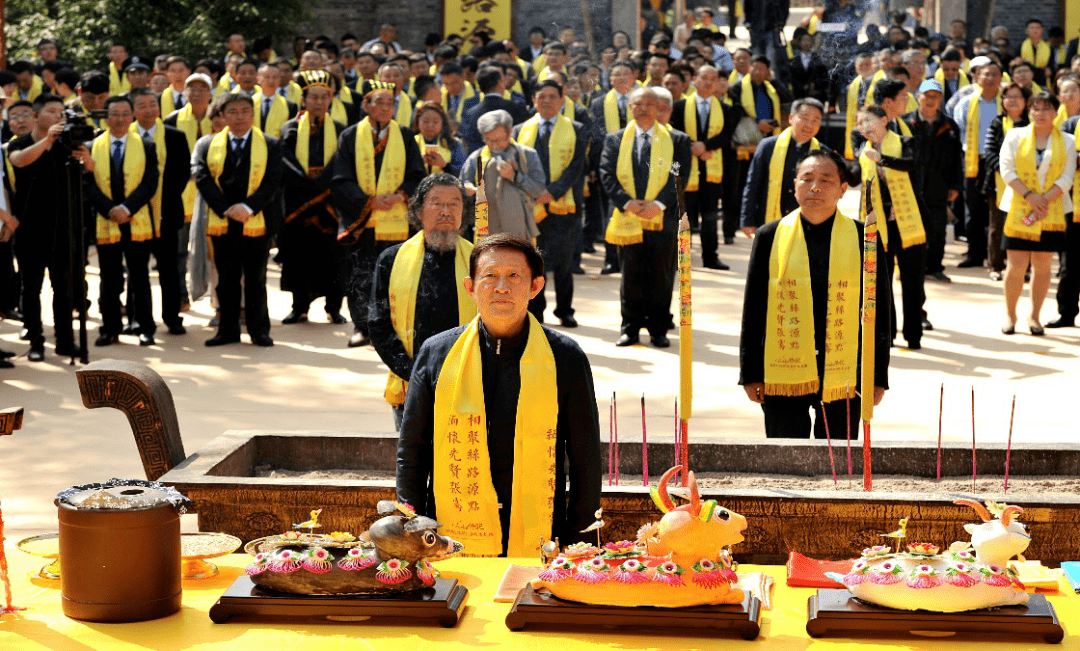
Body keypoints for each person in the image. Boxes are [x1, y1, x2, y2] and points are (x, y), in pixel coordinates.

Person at [396, 233, 601, 557]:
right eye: (490, 276)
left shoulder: (565, 357)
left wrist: (580, 541)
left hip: (543, 533)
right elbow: (413, 449)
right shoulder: (437, 354)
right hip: (448, 533)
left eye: (514, 276)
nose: (501, 287)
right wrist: (410, 527)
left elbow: (585, 457)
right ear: (470, 286)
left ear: (535, 286)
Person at [740, 150, 890, 438]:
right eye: (806, 179)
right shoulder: (769, 236)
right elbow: (755, 308)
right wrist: (750, 372)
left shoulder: (865, 237)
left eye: (826, 180)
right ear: (793, 185)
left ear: (844, 189)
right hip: (782, 367)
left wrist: (876, 376)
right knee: (786, 456)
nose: (815, 188)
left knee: (839, 462)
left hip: (846, 369)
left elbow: (879, 309)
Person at [369, 174, 477, 429]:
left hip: (468, 384)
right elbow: (378, 324)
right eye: (436, 203)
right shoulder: (392, 260)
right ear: (418, 211)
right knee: (412, 463)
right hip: (411, 381)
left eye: (454, 204)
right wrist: (413, 372)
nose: (446, 211)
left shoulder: (480, 262)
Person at [331, 80, 425, 348]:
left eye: (390, 103)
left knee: (394, 276)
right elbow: (341, 178)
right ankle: (363, 327)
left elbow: (417, 174)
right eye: (379, 102)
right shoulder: (350, 136)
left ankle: (393, 326)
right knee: (361, 274)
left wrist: (400, 195)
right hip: (363, 220)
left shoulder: (405, 135)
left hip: (396, 220)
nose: (386, 108)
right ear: (365, 105)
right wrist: (369, 201)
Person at [191, 92, 284, 347]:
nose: (240, 116)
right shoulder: (209, 144)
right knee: (227, 279)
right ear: (222, 115)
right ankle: (227, 330)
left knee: (256, 279)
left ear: (253, 114)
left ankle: (258, 330)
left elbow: (273, 181)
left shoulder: (271, 144)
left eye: (245, 110)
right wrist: (227, 209)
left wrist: (247, 206)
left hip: (256, 219)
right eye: (233, 111)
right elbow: (203, 178)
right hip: (223, 221)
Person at [8, 94, 93, 361]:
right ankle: (35, 341)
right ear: (36, 115)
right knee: (31, 288)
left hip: (63, 228)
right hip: (30, 229)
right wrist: (48, 140)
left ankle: (65, 342)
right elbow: (19, 160)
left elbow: (89, 171)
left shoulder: (67, 145)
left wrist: (86, 158)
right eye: (52, 111)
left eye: (61, 112)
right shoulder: (21, 143)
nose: (58, 116)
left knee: (64, 287)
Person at [599, 87, 678, 348]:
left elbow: (679, 175)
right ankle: (629, 328)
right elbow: (607, 174)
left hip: (661, 219)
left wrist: (658, 204)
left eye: (648, 104)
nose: (643, 108)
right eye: (637, 104)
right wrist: (627, 203)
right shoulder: (615, 139)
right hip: (628, 218)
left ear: (659, 108)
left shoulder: (675, 140)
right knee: (630, 276)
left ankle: (658, 329)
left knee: (660, 276)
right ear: (629, 108)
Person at [85, 95, 160, 347]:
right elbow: (88, 184)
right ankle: (110, 328)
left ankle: (144, 326)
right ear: (106, 117)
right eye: (114, 114)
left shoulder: (147, 145)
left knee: (140, 276)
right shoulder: (91, 146)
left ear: (132, 116)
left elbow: (150, 183)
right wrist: (110, 209)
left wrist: (127, 208)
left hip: (136, 218)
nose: (119, 119)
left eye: (124, 114)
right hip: (106, 219)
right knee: (109, 277)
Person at [998, 91, 1075, 335]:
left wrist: (1044, 200)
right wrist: (1031, 197)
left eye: (1045, 109)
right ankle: (1011, 316)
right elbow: (1006, 169)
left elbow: (1067, 177)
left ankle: (1035, 317)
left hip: (1051, 208)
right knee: (1016, 264)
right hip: (1020, 206)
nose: (1040, 114)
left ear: (1055, 112)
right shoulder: (1014, 135)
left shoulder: (1068, 140)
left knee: (1043, 266)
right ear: (1029, 111)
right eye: (1035, 109)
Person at [512, 80, 588, 327]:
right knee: (533, 261)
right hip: (527, 206)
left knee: (563, 261)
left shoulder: (576, 128)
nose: (546, 100)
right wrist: (533, 191)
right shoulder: (519, 130)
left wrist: (552, 192)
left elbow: (576, 167)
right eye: (541, 96)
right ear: (533, 100)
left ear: (561, 99)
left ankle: (565, 309)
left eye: (552, 96)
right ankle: (535, 311)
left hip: (561, 204)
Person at [278, 70, 348, 326]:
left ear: (330, 99)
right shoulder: (290, 128)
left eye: (324, 97)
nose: (318, 102)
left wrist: (320, 184)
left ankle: (334, 307)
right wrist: (308, 184)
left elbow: (339, 162)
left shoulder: (340, 130)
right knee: (298, 257)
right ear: (304, 100)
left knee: (333, 258)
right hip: (299, 200)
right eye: (313, 97)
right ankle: (299, 307)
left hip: (330, 204)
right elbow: (285, 161)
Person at [856, 105, 928, 350]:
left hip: (907, 220)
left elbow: (912, 164)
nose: (864, 126)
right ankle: (887, 334)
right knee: (881, 282)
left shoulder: (905, 141)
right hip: (879, 224)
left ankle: (914, 334)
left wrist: (883, 160)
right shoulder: (863, 150)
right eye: (860, 122)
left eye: (869, 121)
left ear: (885, 120)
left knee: (912, 280)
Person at [130, 87, 191, 336]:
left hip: (166, 213)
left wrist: (159, 203)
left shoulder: (175, 136)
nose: (148, 110)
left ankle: (172, 316)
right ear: (133, 110)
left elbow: (181, 175)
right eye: (141, 105)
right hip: (134, 215)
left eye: (152, 104)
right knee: (136, 269)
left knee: (168, 268)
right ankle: (138, 319)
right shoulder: (126, 136)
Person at [670, 65, 737, 267]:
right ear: (695, 80)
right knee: (684, 216)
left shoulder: (725, 109)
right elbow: (674, 131)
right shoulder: (680, 106)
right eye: (704, 77)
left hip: (710, 168)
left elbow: (726, 135)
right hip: (686, 168)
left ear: (717, 83)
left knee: (709, 216)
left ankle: (710, 257)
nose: (708, 82)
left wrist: (706, 146)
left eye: (713, 78)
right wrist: (693, 147)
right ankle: (682, 257)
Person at [901, 79, 962, 284]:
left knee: (937, 228)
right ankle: (909, 267)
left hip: (939, 184)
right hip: (910, 185)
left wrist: (955, 185)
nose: (930, 100)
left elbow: (956, 158)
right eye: (926, 96)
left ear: (940, 100)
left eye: (935, 97)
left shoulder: (949, 124)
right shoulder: (905, 123)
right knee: (911, 227)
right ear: (918, 98)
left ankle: (935, 267)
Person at [741, 98, 832, 233]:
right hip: (768, 218)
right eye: (805, 118)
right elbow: (753, 183)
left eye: (815, 121)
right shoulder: (768, 146)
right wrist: (747, 219)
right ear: (791, 118)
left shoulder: (824, 153)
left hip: (808, 223)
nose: (809, 125)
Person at [460, 110, 546, 240]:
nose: (494, 146)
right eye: (488, 140)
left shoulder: (527, 155)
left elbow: (538, 189)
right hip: (485, 227)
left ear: (510, 132)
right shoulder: (477, 157)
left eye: (498, 140)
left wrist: (515, 176)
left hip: (519, 228)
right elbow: (462, 183)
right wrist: (468, 187)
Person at [953, 59, 1004, 269]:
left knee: (999, 210)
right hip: (973, 161)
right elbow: (958, 133)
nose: (990, 78)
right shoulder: (966, 103)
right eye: (986, 74)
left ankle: (998, 256)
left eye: (995, 74)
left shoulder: (1006, 102)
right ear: (977, 77)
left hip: (1000, 163)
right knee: (972, 210)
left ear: (1001, 78)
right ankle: (975, 253)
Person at [588, 59, 637, 275]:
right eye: (617, 75)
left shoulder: (641, 100)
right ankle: (611, 259)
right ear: (610, 79)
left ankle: (633, 258)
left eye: (626, 74)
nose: (622, 78)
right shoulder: (598, 102)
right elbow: (596, 136)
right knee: (610, 211)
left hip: (637, 165)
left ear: (634, 78)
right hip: (609, 164)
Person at [983, 83, 1031, 283]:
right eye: (1008, 96)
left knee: (1025, 225)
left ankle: (1024, 268)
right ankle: (996, 266)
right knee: (997, 227)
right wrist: (1007, 172)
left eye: (1017, 96)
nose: (1012, 100)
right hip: (999, 183)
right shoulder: (997, 122)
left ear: (1026, 101)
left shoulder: (1031, 124)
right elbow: (989, 152)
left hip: (1028, 184)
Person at [460, 67, 528, 153]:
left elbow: (469, 144)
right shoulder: (516, 107)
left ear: (480, 89)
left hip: (480, 162)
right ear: (500, 83)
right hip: (511, 162)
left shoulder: (469, 113)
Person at [412, 102, 466, 177]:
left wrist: (444, 165)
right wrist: (417, 163)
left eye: (435, 122)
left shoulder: (453, 144)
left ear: (442, 123)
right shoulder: (410, 142)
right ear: (418, 122)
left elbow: (463, 174)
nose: (430, 125)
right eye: (425, 121)